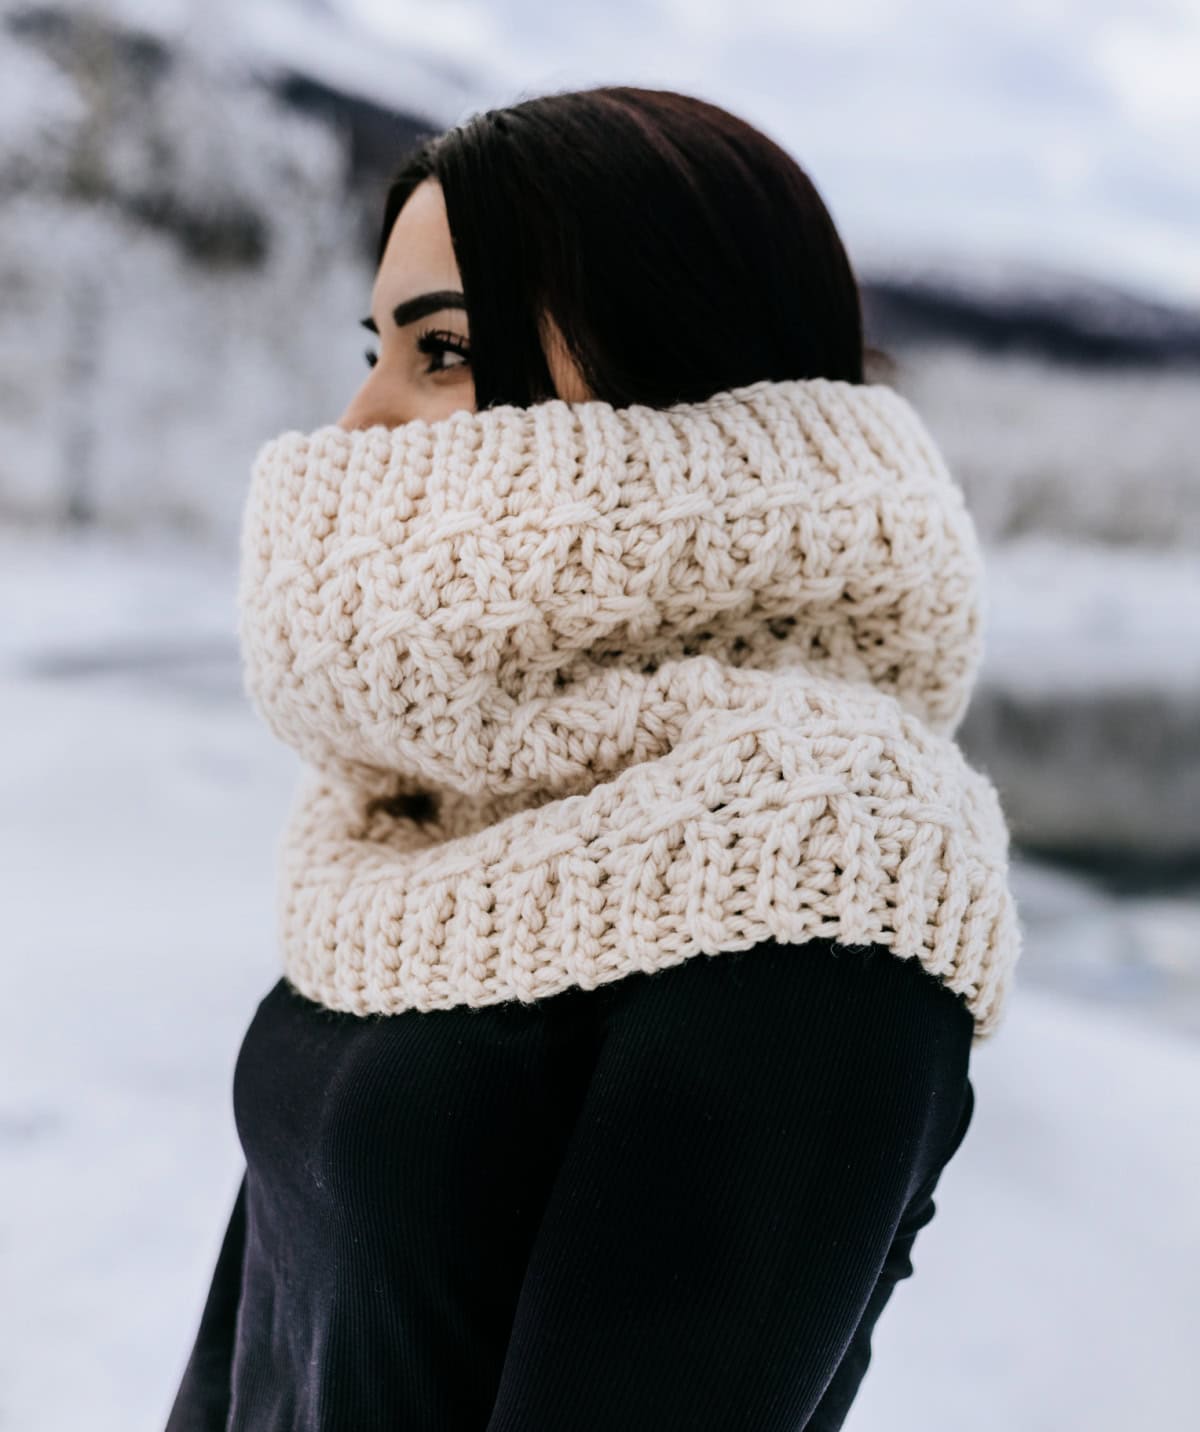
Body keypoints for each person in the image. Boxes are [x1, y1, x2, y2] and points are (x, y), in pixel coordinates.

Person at [164, 85, 1016, 1432]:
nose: (357, 427)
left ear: (664, 359)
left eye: (441, 352)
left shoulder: (821, 860)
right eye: (375, 348)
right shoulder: (423, 798)